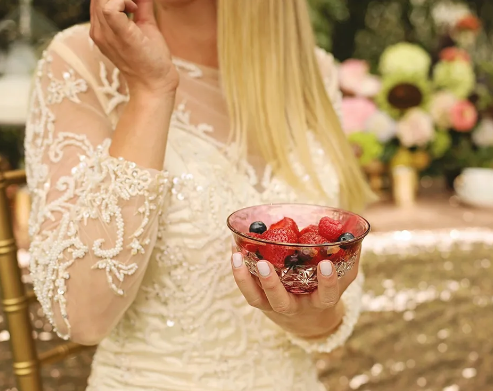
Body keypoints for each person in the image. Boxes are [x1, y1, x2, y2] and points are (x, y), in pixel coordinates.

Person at [25, 0, 375, 389]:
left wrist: (309, 316)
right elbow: (79, 317)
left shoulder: (313, 71)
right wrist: (150, 93)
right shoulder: (83, 59)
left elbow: (337, 304)